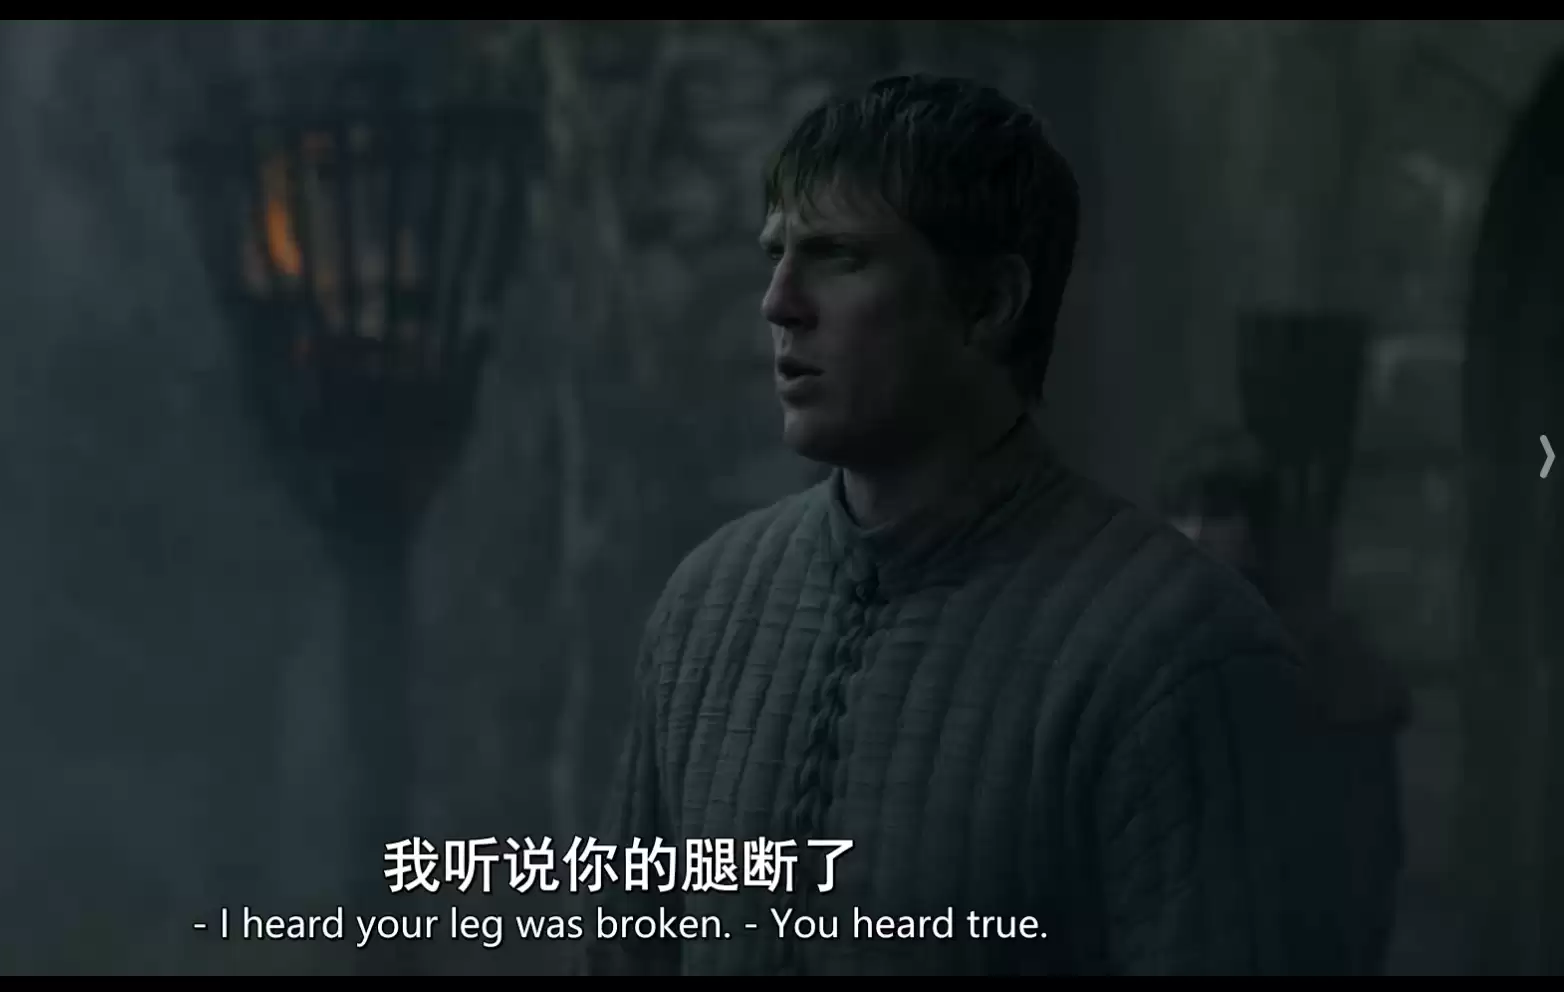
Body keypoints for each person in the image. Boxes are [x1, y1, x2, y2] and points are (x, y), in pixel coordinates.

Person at [576, 75, 1394, 975]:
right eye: (777, 254)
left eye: (840, 256)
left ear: (991, 302)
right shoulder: (706, 611)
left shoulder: (1179, 653)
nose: (779, 301)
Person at [1158, 429, 1410, 974]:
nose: (1196, 533)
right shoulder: (1153, 649)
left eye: (1218, 514)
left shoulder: (1326, 658)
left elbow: (1364, 855)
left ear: (1256, 530)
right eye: (1182, 513)